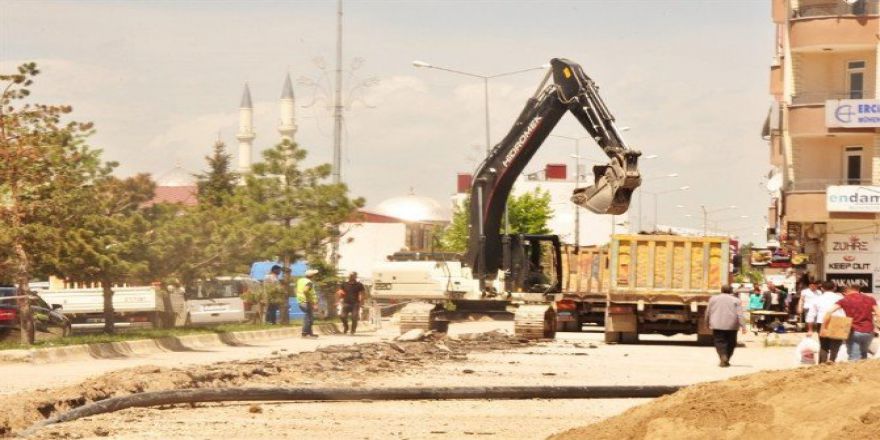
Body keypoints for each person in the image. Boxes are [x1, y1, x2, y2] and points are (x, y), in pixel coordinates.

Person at [824, 285, 879, 361]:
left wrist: (825, 326)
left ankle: (855, 372)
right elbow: (878, 313)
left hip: (853, 331)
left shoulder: (844, 300)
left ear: (847, 291)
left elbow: (829, 312)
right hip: (868, 332)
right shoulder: (870, 299)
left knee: (854, 357)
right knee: (863, 354)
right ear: (858, 289)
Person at [706, 285, 747, 367]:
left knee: (719, 342)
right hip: (732, 326)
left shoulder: (713, 299)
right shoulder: (736, 300)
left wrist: (707, 322)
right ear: (731, 291)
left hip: (717, 325)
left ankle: (723, 356)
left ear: (721, 290)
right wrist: (743, 326)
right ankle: (726, 358)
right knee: (731, 343)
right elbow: (740, 314)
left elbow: (708, 312)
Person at [806, 281, 844, 363]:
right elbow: (845, 312)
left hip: (822, 323)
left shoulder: (817, 299)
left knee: (823, 345)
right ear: (834, 288)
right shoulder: (840, 298)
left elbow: (811, 315)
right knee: (836, 344)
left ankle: (822, 364)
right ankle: (832, 360)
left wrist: (810, 329)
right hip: (838, 321)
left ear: (822, 288)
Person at [296, 269, 319, 338]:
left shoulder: (300, 280)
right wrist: (312, 302)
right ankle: (304, 333)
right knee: (309, 318)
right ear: (312, 276)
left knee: (309, 317)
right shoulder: (309, 282)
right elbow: (305, 291)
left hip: (300, 301)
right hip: (306, 301)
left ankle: (310, 333)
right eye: (314, 275)